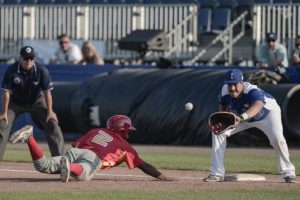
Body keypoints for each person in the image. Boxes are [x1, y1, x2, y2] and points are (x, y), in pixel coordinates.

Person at [9, 115, 172, 183]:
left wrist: (70, 158)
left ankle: (30, 138)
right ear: (123, 130)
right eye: (128, 130)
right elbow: (144, 166)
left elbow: (76, 146)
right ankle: (70, 167)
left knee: (43, 165)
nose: (129, 133)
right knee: (84, 174)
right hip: (93, 159)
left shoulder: (96, 131)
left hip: (75, 152)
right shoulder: (125, 146)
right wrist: (163, 177)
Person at [203, 69, 296, 183]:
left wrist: (242, 117)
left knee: (278, 139)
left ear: (242, 83)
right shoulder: (224, 91)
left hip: (267, 114)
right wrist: (222, 120)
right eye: (229, 85)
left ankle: (288, 172)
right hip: (242, 117)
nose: (232, 88)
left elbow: (258, 105)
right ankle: (216, 174)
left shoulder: (252, 90)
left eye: (235, 84)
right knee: (218, 132)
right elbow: (223, 106)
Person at [0, 46, 65, 160]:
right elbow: (6, 93)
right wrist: (4, 112)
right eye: (25, 58)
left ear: (34, 59)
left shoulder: (41, 71)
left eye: (31, 58)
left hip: (37, 102)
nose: (28, 61)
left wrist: (50, 112)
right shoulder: (12, 70)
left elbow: (47, 93)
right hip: (16, 103)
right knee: (2, 124)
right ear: (21, 58)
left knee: (53, 124)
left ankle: (60, 160)